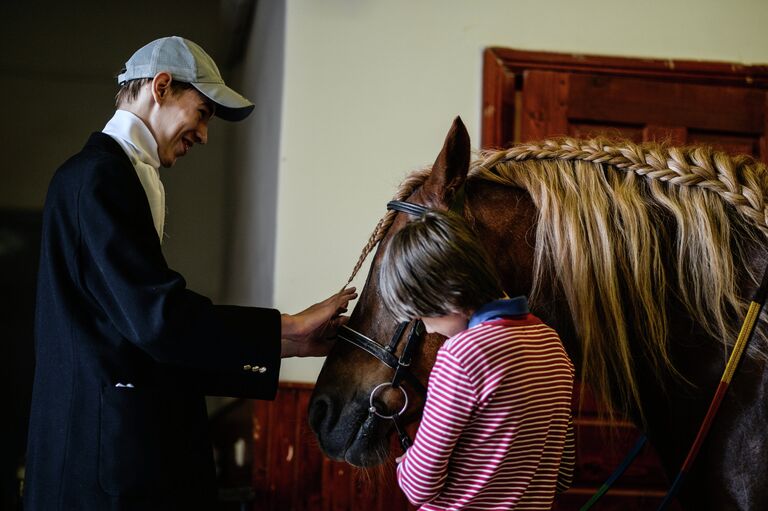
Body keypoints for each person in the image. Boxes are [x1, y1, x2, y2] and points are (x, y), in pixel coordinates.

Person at [23, 36, 355, 510]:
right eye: (202, 112)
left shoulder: (115, 175)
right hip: (101, 474)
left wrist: (291, 343)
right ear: (161, 87)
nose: (203, 134)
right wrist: (289, 327)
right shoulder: (100, 177)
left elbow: (148, 327)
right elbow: (157, 321)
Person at [378, 209, 575, 510]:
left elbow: (420, 487)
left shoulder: (462, 355)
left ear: (449, 296)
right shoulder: (552, 344)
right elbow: (562, 475)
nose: (427, 328)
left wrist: (409, 465)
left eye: (421, 314)